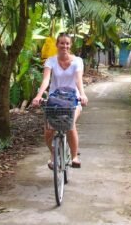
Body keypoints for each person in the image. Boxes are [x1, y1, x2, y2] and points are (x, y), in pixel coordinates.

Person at [32, 33, 88, 168]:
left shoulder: (78, 61)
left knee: (69, 125)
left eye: (67, 43)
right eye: (62, 43)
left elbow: (78, 80)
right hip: (54, 100)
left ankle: (74, 157)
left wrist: (82, 94)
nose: (65, 46)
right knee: (48, 131)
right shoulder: (50, 61)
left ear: (71, 45)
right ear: (57, 45)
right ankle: (53, 153)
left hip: (72, 100)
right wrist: (38, 96)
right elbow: (46, 80)